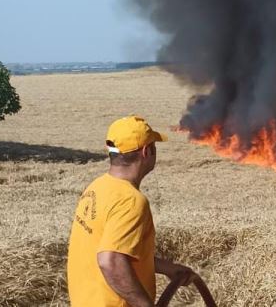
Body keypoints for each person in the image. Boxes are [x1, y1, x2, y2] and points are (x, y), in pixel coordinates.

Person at [67, 115, 197, 307]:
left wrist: (167, 268)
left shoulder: (97, 187)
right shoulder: (131, 201)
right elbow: (110, 260)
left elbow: (118, 249)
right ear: (146, 151)